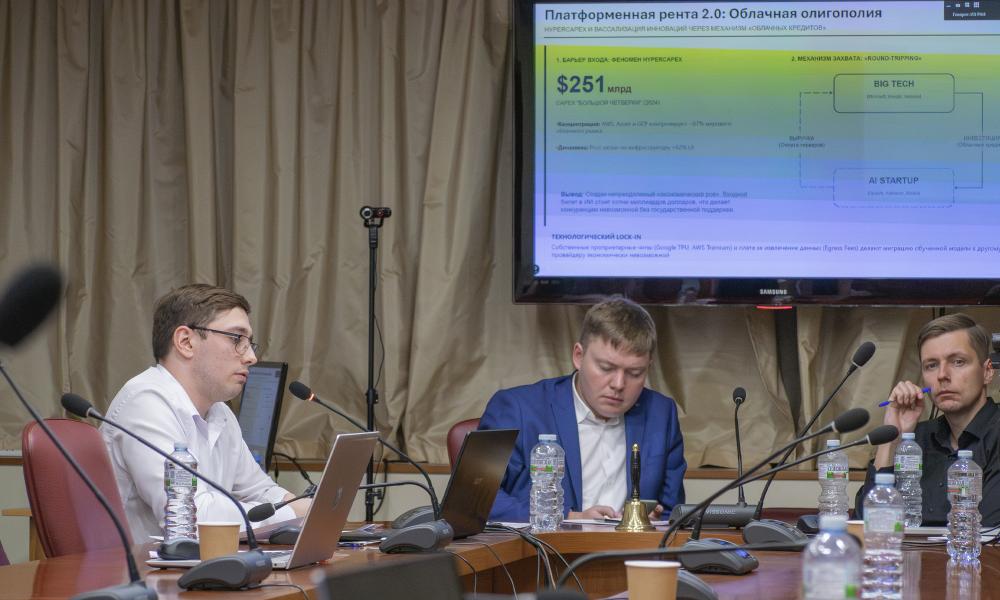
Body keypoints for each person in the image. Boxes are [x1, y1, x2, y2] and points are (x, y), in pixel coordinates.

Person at [101, 284, 309, 540]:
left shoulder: (219, 412)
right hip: (135, 564)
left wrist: (308, 508)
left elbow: (260, 489)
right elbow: (193, 519)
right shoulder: (145, 403)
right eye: (237, 339)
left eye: (249, 343)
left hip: (195, 561)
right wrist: (291, 514)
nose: (251, 357)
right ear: (186, 342)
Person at [479, 297, 686, 522]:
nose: (618, 384)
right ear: (578, 356)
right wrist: (569, 518)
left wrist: (654, 523)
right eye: (606, 368)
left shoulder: (661, 414)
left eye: (635, 373)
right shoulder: (518, 409)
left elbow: (672, 512)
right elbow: (479, 498)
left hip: (630, 544)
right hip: (546, 544)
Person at [855, 313, 1000, 525]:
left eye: (958, 362)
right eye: (931, 365)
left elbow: (988, 529)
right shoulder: (916, 439)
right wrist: (892, 439)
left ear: (987, 372)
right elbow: (867, 523)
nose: (942, 375)